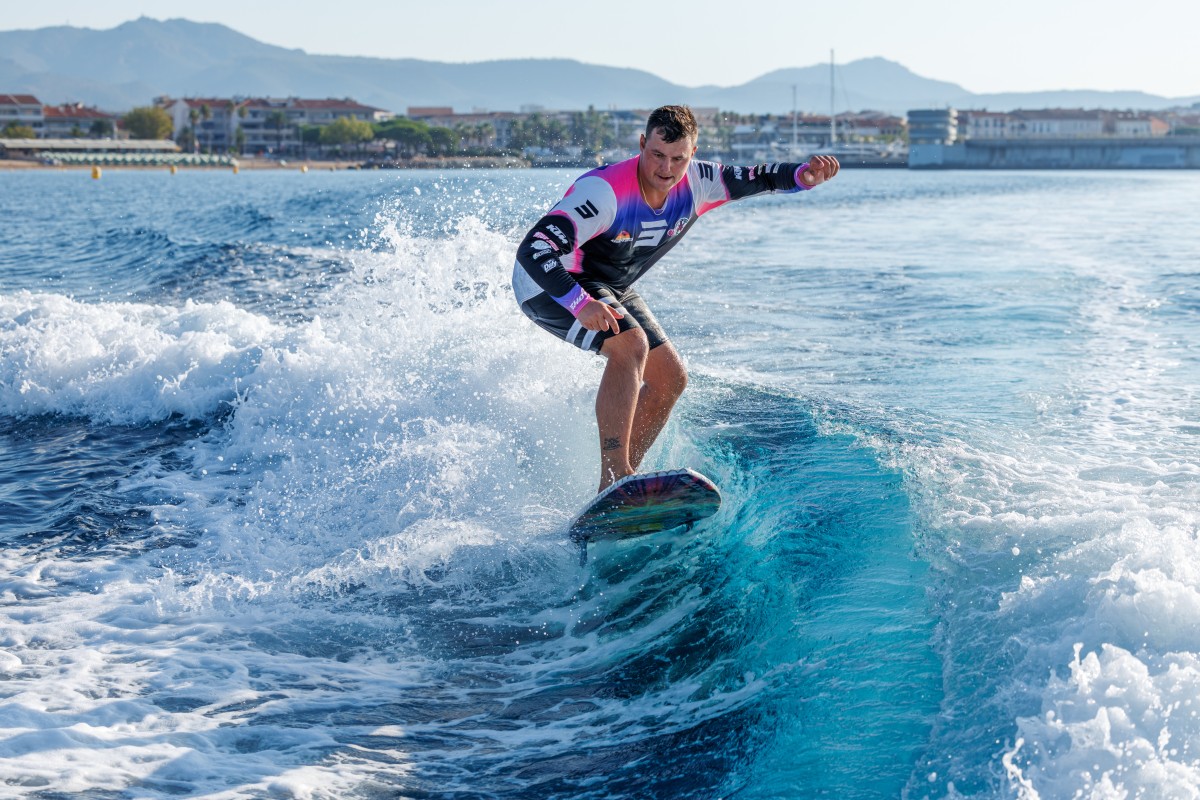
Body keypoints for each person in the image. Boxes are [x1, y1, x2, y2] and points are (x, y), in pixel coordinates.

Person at [513, 105, 839, 493]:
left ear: (693, 153)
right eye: (657, 155)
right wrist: (578, 303)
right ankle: (616, 480)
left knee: (669, 379)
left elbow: (759, 177)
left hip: (609, 287)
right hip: (549, 284)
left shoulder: (701, 181)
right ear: (641, 145)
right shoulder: (603, 193)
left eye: (678, 158)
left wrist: (803, 176)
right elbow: (534, 249)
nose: (666, 169)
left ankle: (616, 487)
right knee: (629, 346)